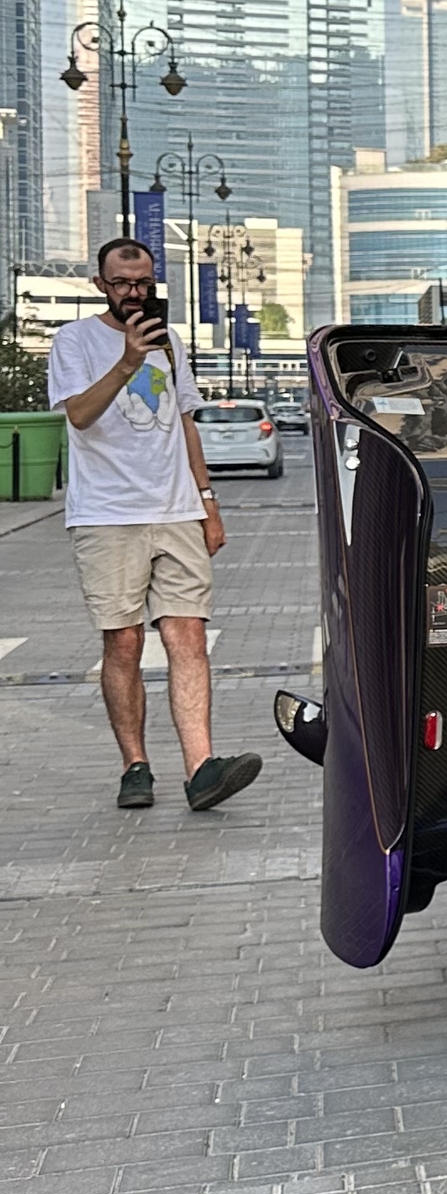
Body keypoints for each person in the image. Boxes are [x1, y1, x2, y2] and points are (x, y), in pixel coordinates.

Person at [47, 237, 262, 815]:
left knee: (187, 634)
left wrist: (208, 502)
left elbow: (185, 424)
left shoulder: (172, 342)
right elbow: (80, 415)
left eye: (143, 282)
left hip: (176, 511)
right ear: (100, 284)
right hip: (107, 514)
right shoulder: (73, 341)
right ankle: (135, 765)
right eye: (122, 283)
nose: (134, 293)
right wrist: (128, 362)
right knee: (123, 641)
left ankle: (202, 768)